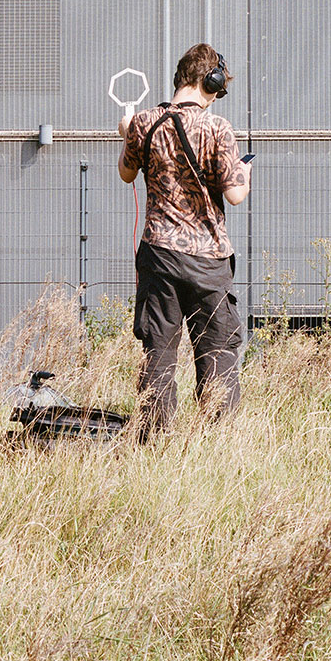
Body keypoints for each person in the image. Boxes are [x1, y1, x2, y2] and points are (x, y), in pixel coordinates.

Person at [117, 42, 251, 437]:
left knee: (158, 353)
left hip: (158, 254)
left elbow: (126, 174)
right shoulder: (217, 128)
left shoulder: (144, 123)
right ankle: (216, 441)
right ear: (207, 80)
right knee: (218, 353)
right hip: (208, 260)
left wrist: (126, 135)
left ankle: (155, 442)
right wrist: (244, 169)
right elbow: (235, 194)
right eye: (218, 86)